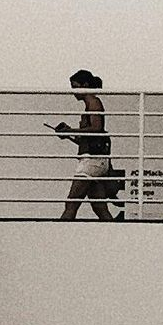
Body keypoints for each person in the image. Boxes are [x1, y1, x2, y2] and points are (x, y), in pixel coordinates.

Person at [52, 68, 123, 219]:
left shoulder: (93, 102)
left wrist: (72, 130)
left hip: (91, 162)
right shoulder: (92, 103)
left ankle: (59, 234)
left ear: (85, 85)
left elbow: (97, 128)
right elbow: (89, 136)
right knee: (99, 207)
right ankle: (115, 232)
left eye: (76, 87)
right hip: (95, 160)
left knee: (71, 204)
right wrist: (69, 134)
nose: (74, 92)